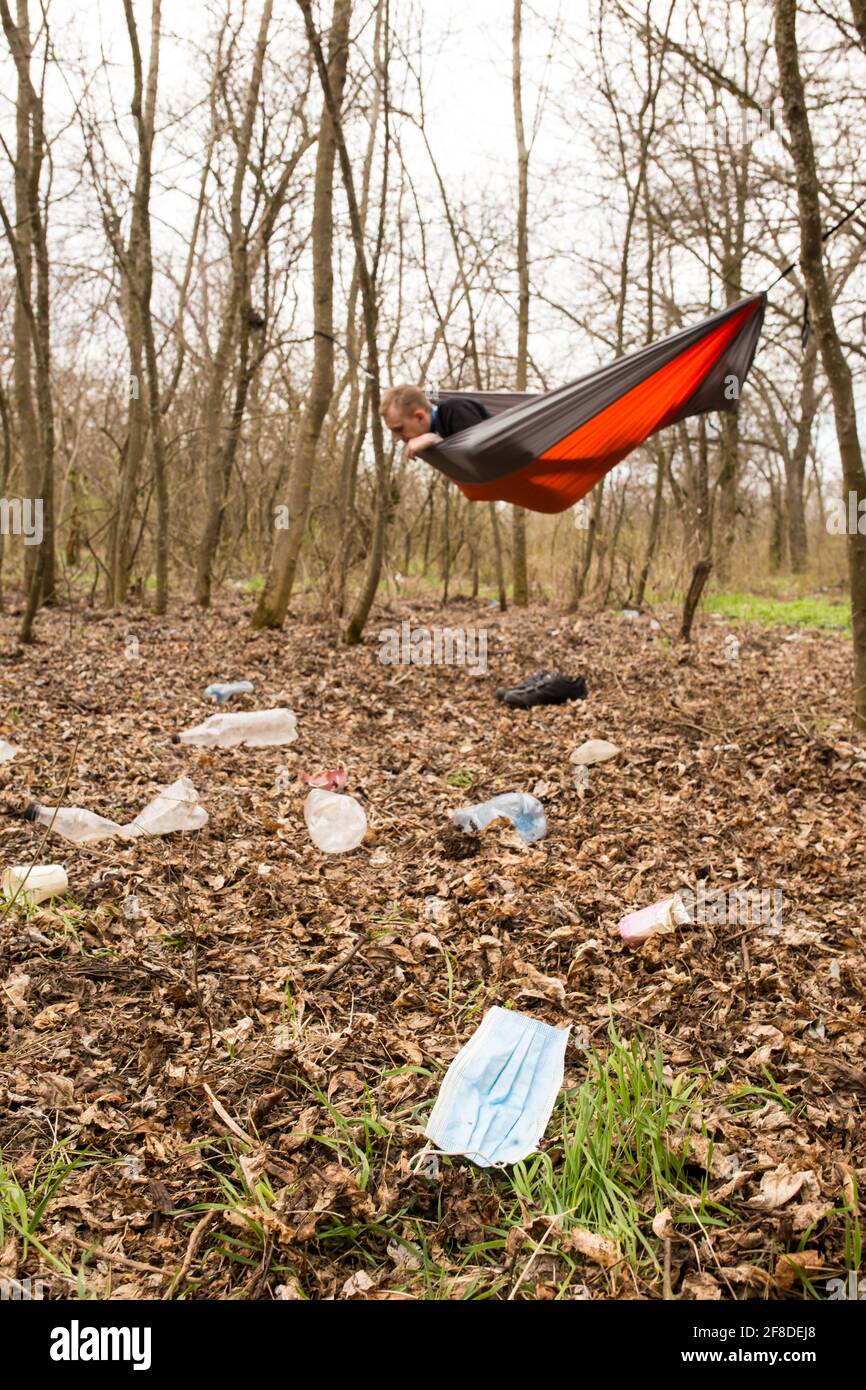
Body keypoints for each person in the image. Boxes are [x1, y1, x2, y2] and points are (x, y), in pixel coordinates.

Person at [379, 384, 490, 459]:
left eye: (399, 429)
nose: (396, 439)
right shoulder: (431, 432)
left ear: (420, 417)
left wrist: (436, 440)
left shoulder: (455, 409)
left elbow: (482, 454)